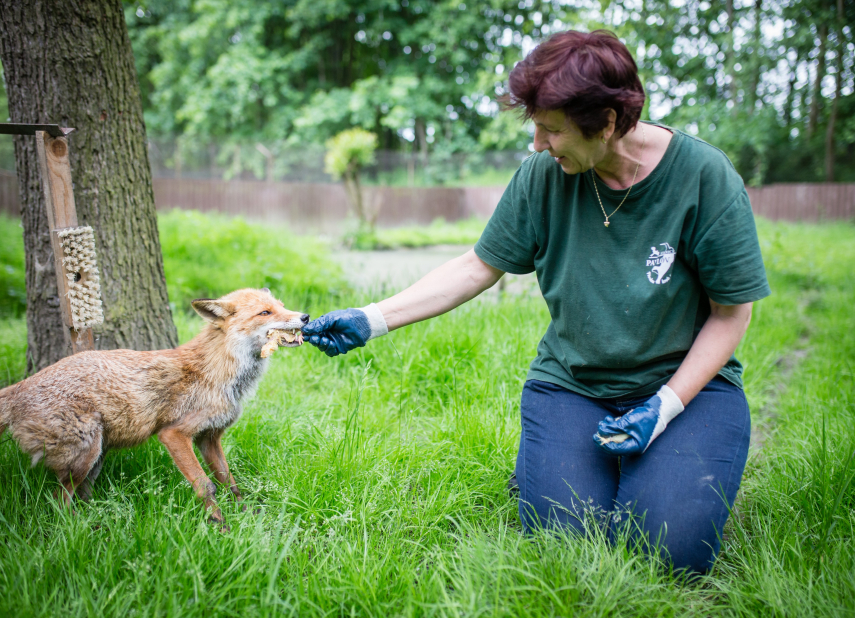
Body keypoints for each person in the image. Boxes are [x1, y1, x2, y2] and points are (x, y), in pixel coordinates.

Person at [301, 29, 770, 575]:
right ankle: (568, 463)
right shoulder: (543, 175)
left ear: (610, 123)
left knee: (667, 555)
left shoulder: (704, 178)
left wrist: (663, 407)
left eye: (551, 130)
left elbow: (732, 313)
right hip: (574, 384)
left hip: (688, 389)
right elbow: (478, 267)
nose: (537, 146)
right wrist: (371, 319)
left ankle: (656, 464)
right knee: (563, 546)